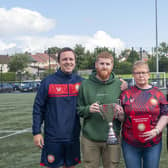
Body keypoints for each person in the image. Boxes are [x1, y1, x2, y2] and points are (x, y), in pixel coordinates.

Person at [32, 47, 83, 168]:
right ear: (59, 62)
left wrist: (120, 84)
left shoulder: (81, 82)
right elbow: (38, 108)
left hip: (73, 136)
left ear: (75, 62)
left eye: (71, 59)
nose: (68, 62)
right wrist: (36, 132)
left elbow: (98, 87)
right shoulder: (48, 82)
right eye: (64, 59)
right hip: (53, 137)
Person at [77, 51, 126, 168]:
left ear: (112, 66)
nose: (104, 66)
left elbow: (126, 112)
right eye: (102, 63)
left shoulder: (120, 85)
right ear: (96, 65)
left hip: (113, 137)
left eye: (108, 64)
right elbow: (78, 109)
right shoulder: (85, 85)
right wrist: (88, 109)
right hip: (90, 138)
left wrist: (121, 114)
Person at [120, 60, 168, 168]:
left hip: (153, 142)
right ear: (133, 75)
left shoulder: (158, 93)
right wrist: (119, 115)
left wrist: (157, 130)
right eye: (137, 73)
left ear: (148, 74)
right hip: (130, 142)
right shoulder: (125, 94)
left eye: (144, 72)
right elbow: (123, 117)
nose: (141, 75)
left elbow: (165, 114)